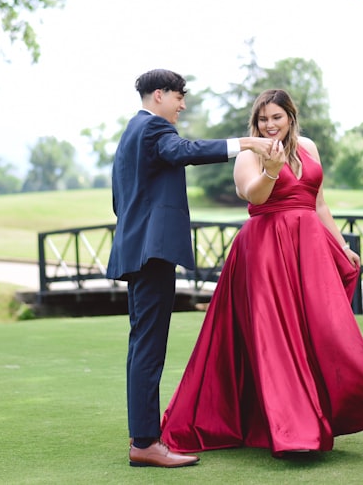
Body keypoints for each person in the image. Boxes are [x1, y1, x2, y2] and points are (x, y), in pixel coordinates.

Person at [160, 88, 363, 457]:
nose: (269, 125)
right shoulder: (249, 153)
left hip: (308, 250)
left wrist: (340, 244)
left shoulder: (309, 147)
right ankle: (293, 428)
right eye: (263, 119)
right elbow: (254, 196)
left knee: (322, 330)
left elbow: (319, 202)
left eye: (276, 117)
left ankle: (331, 408)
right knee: (276, 338)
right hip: (264, 253)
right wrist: (270, 171)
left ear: (290, 117)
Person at [107, 69, 276, 469]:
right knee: (149, 347)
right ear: (160, 95)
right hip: (152, 254)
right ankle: (146, 442)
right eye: (180, 97)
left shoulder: (132, 132)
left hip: (139, 251)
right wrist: (250, 143)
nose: (183, 105)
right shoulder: (152, 131)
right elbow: (186, 151)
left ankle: (143, 436)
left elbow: (120, 198)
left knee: (142, 346)